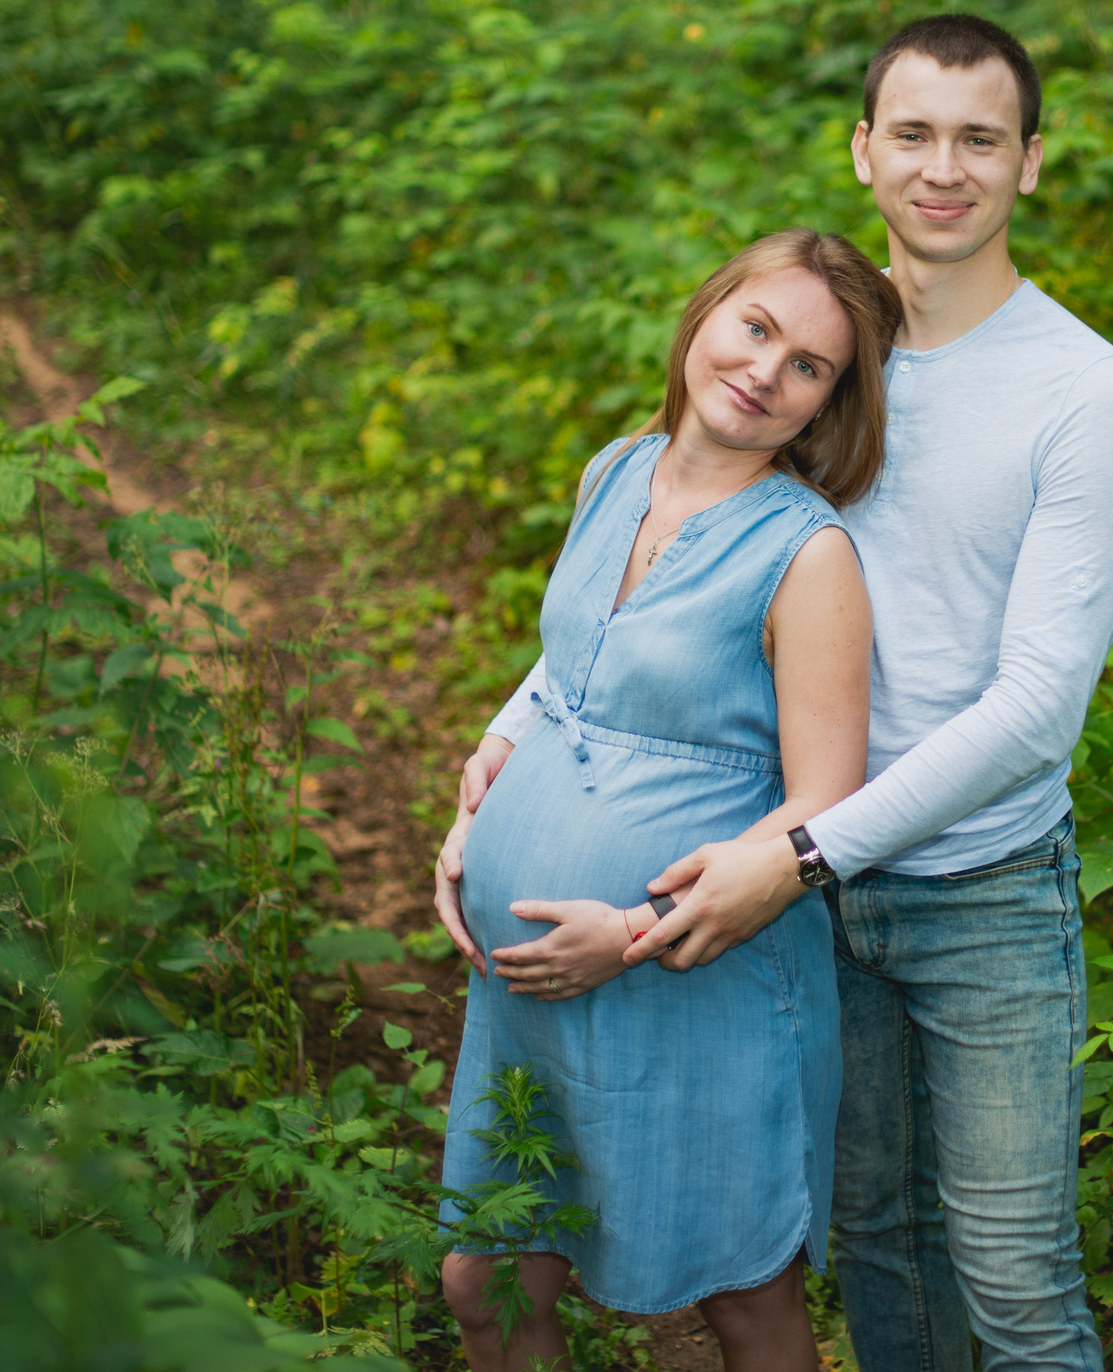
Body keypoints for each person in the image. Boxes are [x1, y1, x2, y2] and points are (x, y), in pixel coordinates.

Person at [443, 15, 1113, 1371]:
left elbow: (1036, 709)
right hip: (792, 891)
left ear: (1032, 164)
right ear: (863, 150)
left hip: (968, 892)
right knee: (876, 1244)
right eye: (914, 134)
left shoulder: (1083, 394)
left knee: (1013, 1280)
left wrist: (802, 853)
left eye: (981, 139)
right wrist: (513, 728)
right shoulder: (823, 353)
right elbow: (680, 550)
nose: (944, 169)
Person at [429, 228, 903, 1372]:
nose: (765, 369)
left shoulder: (809, 554)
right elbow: (574, 672)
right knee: (484, 1273)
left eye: (809, 366)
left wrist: (630, 934)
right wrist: (484, 791)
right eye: (757, 327)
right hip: (535, 981)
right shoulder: (614, 470)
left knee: (742, 1299)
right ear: (707, 313)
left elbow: (821, 807)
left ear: (828, 404)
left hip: (701, 979)